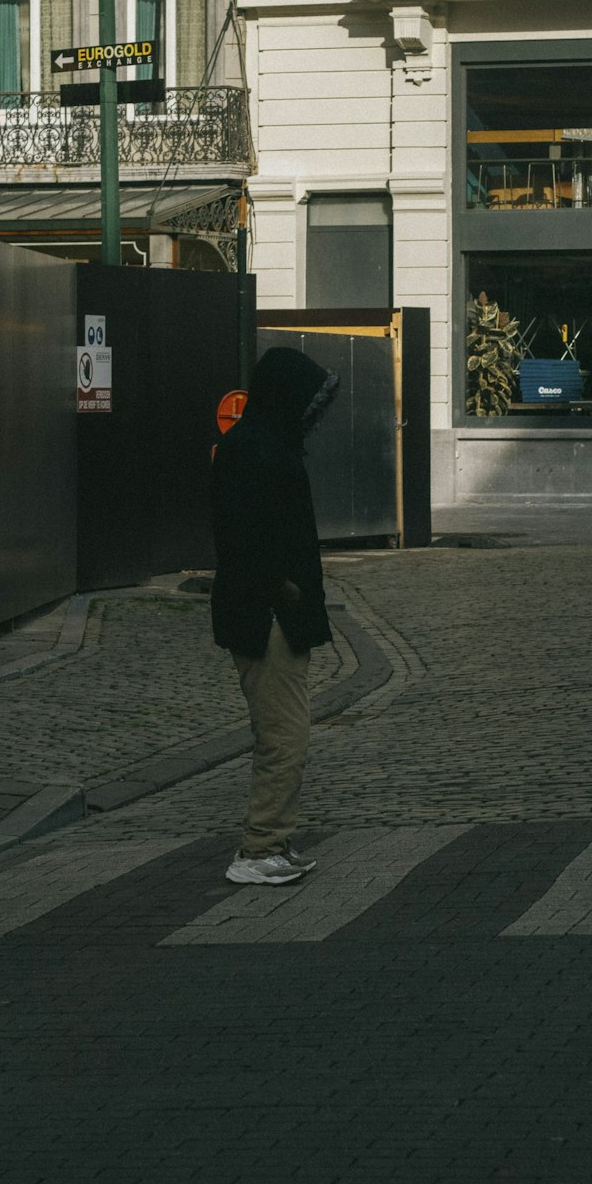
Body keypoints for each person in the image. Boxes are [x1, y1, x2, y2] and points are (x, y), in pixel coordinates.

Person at [210, 346, 339, 886]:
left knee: (284, 735)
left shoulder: (261, 444)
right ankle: (259, 848)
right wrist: (283, 592)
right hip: (268, 619)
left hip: (273, 614)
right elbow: (244, 538)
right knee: (284, 738)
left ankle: (272, 842)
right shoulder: (258, 450)